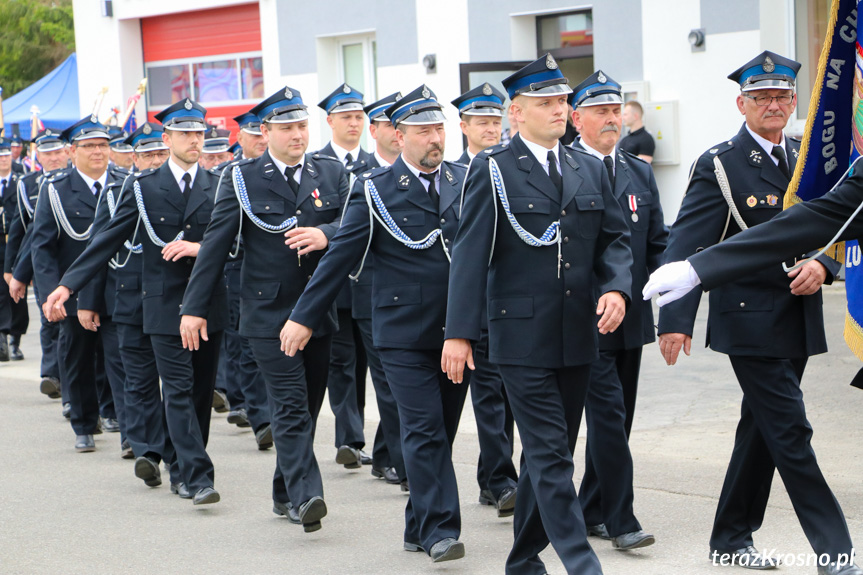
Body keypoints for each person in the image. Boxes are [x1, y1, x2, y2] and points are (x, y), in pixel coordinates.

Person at [650, 51, 860, 575]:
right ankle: (834, 550)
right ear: (741, 103)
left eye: (782, 96)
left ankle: (729, 537)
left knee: (762, 430)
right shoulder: (720, 162)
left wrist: (824, 267)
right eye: (761, 97)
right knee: (791, 431)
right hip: (747, 317)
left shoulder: (810, 158)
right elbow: (688, 245)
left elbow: (832, 225)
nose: (773, 105)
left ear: (794, 102)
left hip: (797, 313)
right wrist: (675, 320)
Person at [441, 53, 633, 575]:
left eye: (561, 101)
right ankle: (581, 563)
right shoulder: (494, 170)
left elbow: (614, 240)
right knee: (551, 456)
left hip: (578, 334)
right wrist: (458, 334)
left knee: (549, 458)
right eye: (544, 102)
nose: (557, 109)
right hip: (520, 336)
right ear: (516, 114)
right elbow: (469, 254)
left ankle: (523, 559)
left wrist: (616, 288)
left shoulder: (587, 166)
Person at [280, 84, 470, 563]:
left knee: (442, 431)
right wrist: (303, 317)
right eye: (423, 129)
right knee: (423, 430)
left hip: (458, 330)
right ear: (398, 135)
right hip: (403, 333)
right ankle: (440, 530)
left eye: (438, 128)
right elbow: (339, 257)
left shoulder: (466, 181)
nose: (434, 138)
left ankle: (416, 522)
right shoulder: (376, 189)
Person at [44, 99, 227, 505]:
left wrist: (200, 248)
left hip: (208, 303)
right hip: (162, 305)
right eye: (185, 133)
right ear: (168, 138)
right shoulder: (144, 188)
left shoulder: (220, 184)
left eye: (199, 133)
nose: (195, 140)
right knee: (177, 389)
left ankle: (181, 465)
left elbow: (235, 242)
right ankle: (197, 476)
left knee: (199, 392)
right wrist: (68, 286)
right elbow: (104, 241)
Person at [180, 86, 347, 530]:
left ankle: (283, 490)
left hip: (317, 310)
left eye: (301, 126)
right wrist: (193, 308)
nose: (297, 134)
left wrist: (327, 232)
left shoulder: (330, 173)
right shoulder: (242, 177)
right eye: (287, 127)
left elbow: (353, 223)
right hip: (267, 312)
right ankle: (307, 496)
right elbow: (215, 245)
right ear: (266, 131)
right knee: (290, 406)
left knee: (309, 408)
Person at [569, 70, 666, 549]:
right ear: (576, 118)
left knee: (619, 418)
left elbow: (656, 244)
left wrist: (669, 300)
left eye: (615, 110)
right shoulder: (565, 168)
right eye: (600, 111)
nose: (612, 119)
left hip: (631, 319)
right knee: (607, 416)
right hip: (584, 317)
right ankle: (622, 519)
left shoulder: (638, 170)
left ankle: (591, 509)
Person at [449, 82, 520, 517]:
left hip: (511, 301)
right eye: (482, 122)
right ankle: (499, 479)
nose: (491, 128)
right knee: (488, 396)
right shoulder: (453, 173)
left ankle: (490, 478)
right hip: (472, 304)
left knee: (509, 395)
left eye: (496, 121)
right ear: (464, 127)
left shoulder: (511, 168)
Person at [350, 92, 407, 487]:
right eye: (389, 124)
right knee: (388, 381)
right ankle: (404, 464)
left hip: (420, 298)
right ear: (375, 131)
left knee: (402, 383)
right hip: (373, 291)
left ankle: (386, 453)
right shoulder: (361, 176)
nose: (396, 131)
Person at [315, 83, 373, 469]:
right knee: (341, 361)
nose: (354, 123)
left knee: (366, 362)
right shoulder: (315, 165)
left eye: (359, 117)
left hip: (369, 281)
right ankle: (348, 438)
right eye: (346, 117)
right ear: (330, 121)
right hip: (335, 283)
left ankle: (360, 435)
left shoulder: (377, 164)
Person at [214, 110, 272, 443]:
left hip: (274, 269)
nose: (262, 142)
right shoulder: (230, 175)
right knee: (244, 341)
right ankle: (258, 414)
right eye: (255, 137)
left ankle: (262, 407)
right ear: (241, 139)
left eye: (265, 135)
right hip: (237, 266)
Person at [6, 128, 69, 395]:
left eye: (58, 152)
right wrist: (13, 270)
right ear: (38, 156)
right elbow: (23, 231)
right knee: (50, 319)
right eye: (48, 153)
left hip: (77, 261)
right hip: (47, 263)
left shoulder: (76, 181)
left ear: (67, 152)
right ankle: (52, 375)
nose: (54, 158)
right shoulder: (28, 185)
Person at [0, 138, 29, 362]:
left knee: (15, 292)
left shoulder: (21, 182)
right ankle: (2, 336)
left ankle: (16, 340)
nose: (3, 160)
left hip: (15, 243)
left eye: (6, 156)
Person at [451, 83, 506, 166]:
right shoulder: (455, 174)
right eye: (483, 123)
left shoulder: (514, 168)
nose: (492, 130)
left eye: (496, 123)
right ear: (464, 127)